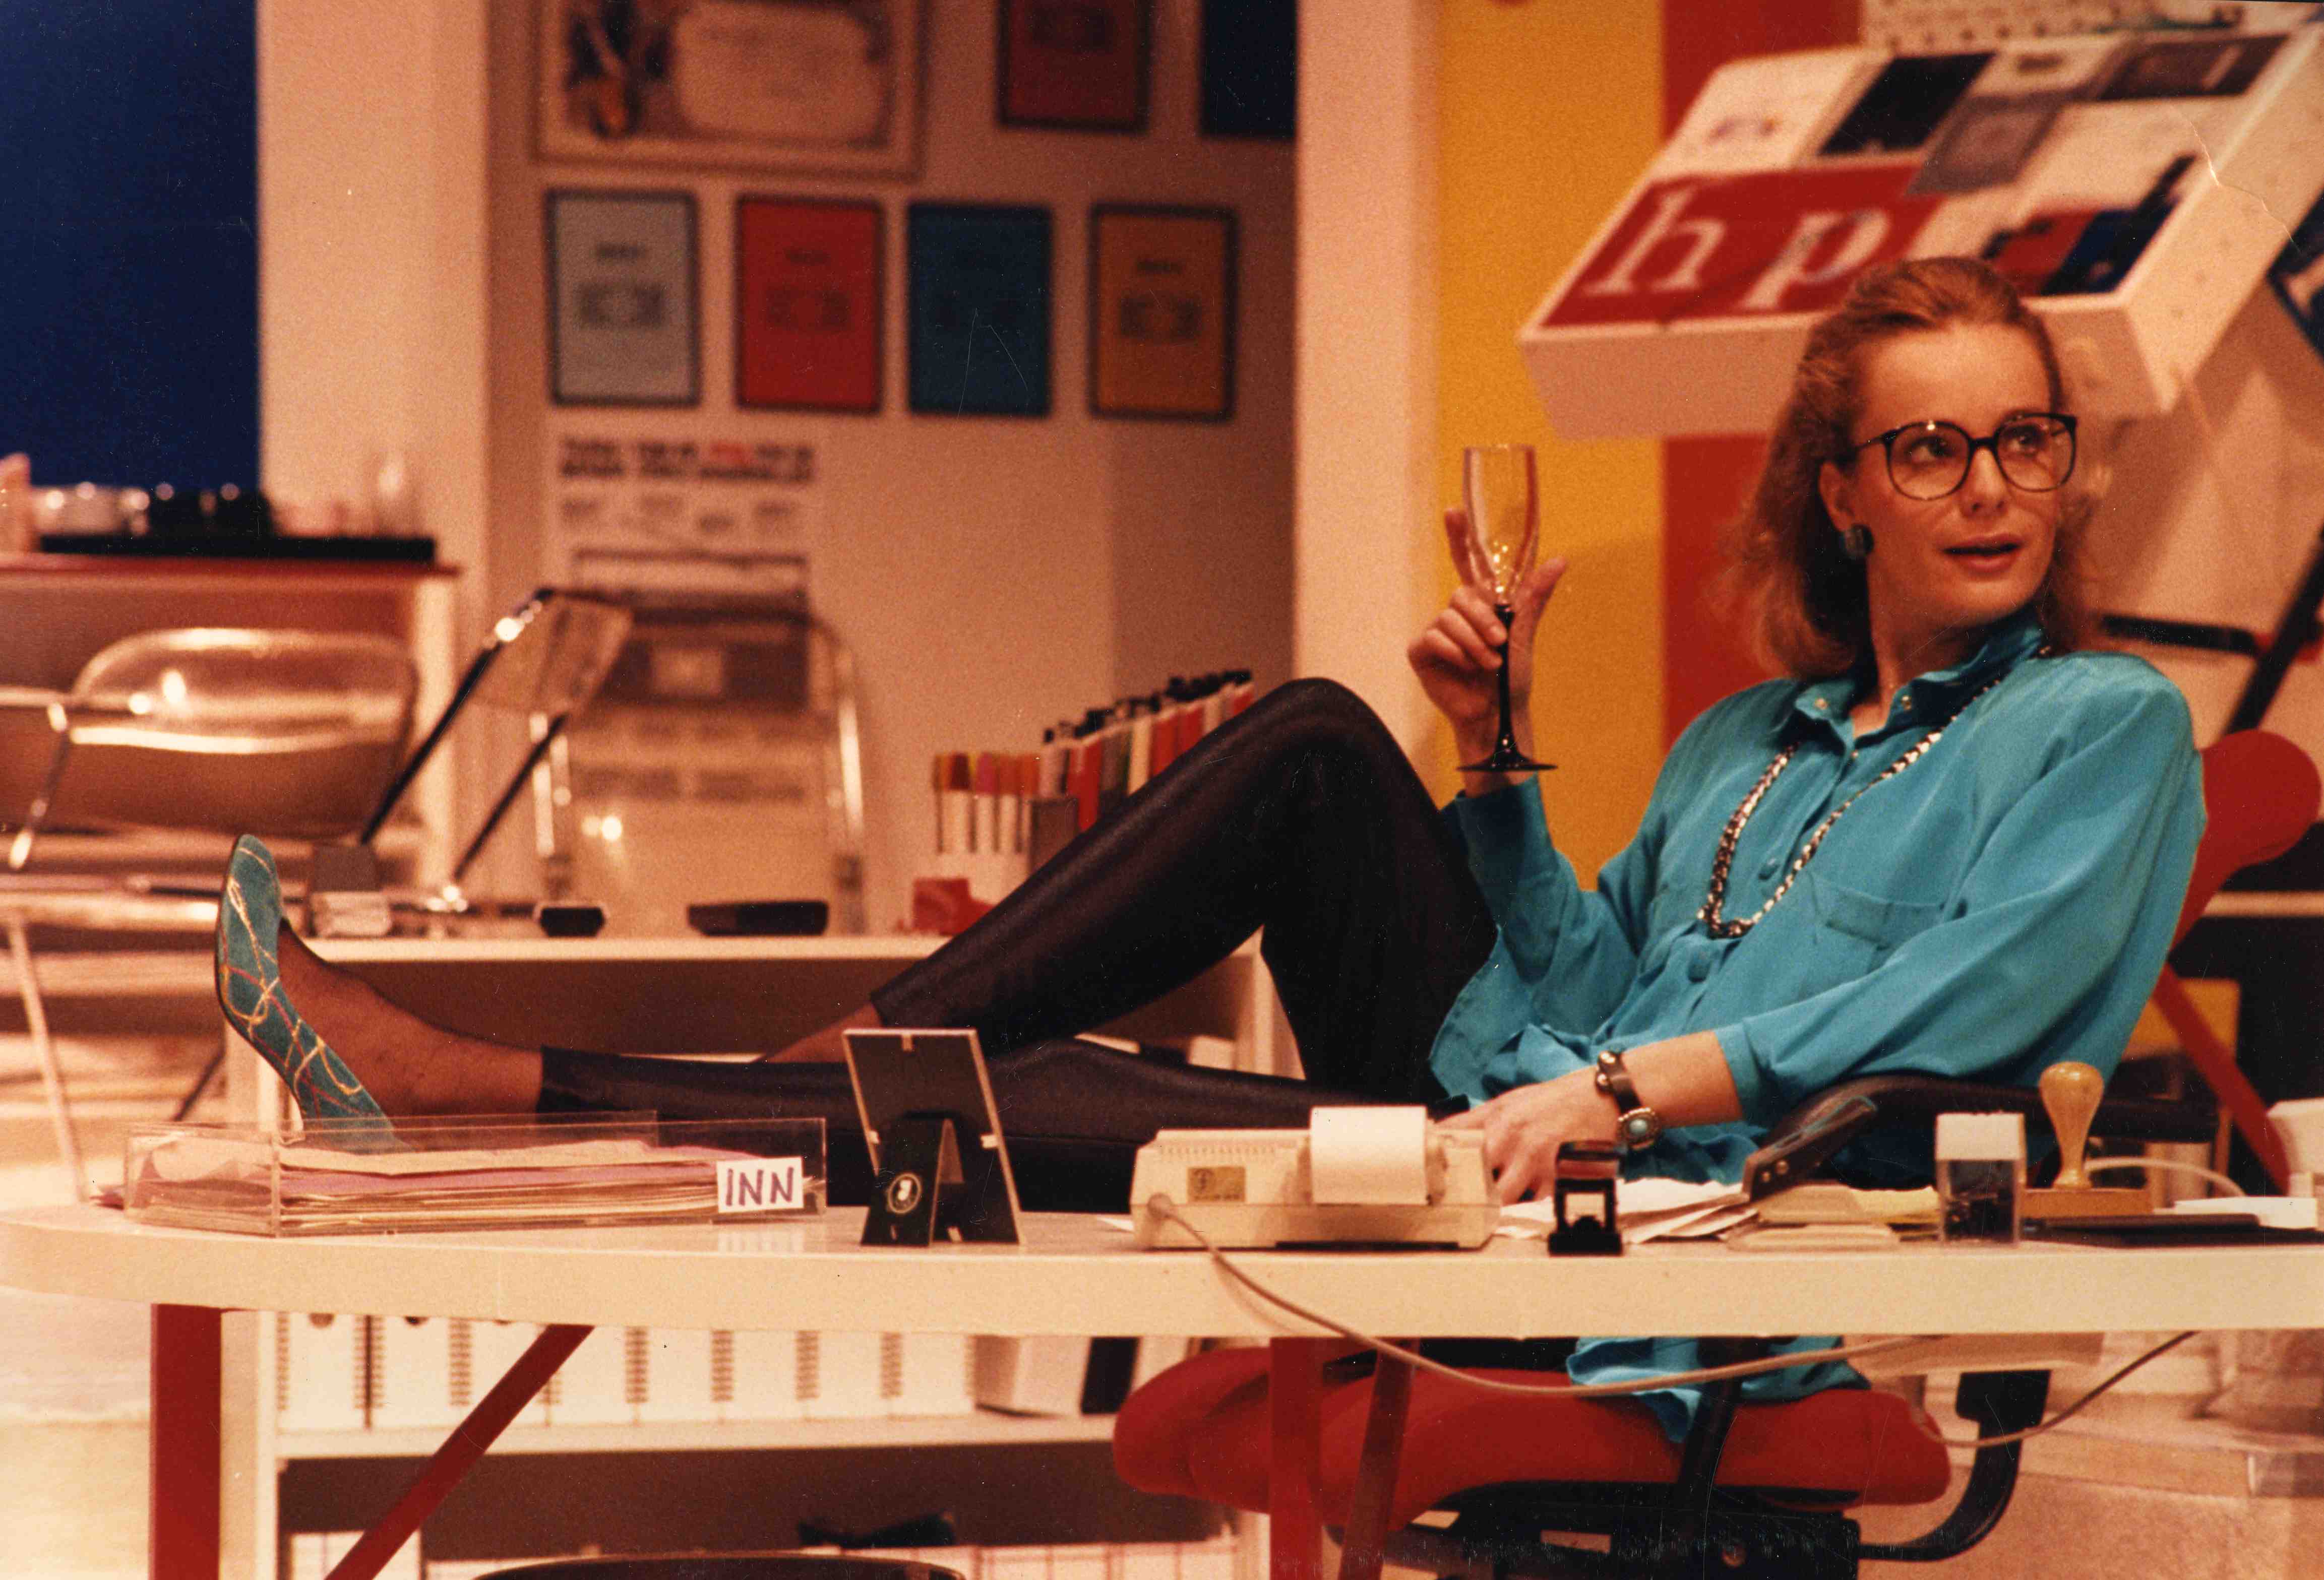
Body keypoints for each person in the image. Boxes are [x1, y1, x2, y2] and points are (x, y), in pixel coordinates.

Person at [217, 256, 2203, 1430]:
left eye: (2023, 439)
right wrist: (1493, 755)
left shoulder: (2099, 725)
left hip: (1700, 1212)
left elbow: (1960, 1010)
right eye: (1930, 446)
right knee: (1322, 741)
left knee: (1009, 1093)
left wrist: (1620, 1091)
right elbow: (1574, 977)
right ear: (1842, 492)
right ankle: (654, 1084)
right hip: (1511, 1126)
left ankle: (505, 1096)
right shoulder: (1739, 740)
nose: (1988, 485)